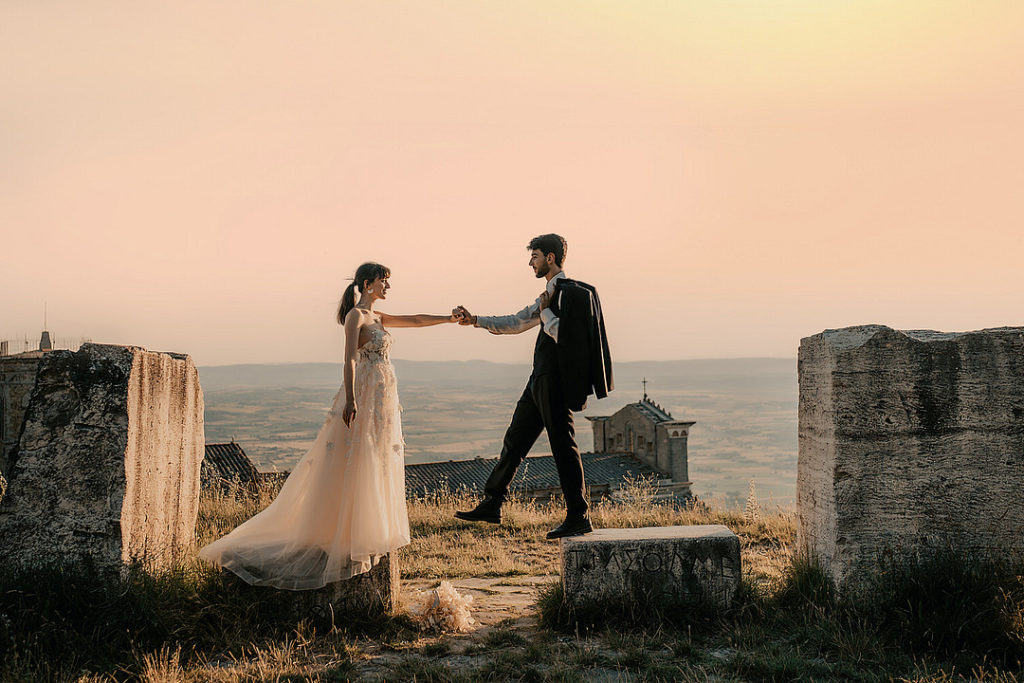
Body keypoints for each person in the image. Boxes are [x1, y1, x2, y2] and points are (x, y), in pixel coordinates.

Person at [199, 262, 457, 589]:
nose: (388, 287)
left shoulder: (378, 317)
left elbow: (417, 319)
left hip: (382, 399)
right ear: (368, 283)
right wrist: (351, 399)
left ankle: (366, 527)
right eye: (384, 282)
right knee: (354, 458)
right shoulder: (356, 317)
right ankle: (342, 531)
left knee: (374, 459)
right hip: (363, 392)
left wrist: (448, 319)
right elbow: (349, 358)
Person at [452, 234, 613, 539]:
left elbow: (567, 337)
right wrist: (475, 320)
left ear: (551, 258)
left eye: (535, 256)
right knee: (515, 440)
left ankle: (578, 516)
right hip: (538, 380)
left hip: (554, 381)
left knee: (563, 446)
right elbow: (516, 322)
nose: (531, 262)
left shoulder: (570, 294)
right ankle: (493, 502)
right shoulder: (547, 296)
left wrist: (546, 312)